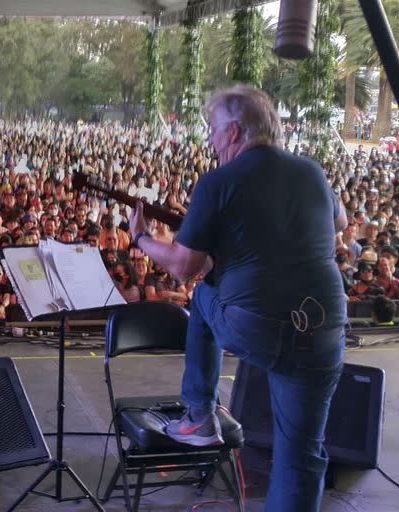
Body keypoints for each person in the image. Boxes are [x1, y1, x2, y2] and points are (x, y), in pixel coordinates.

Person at [129, 85, 347, 512]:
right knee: (301, 454)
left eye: (212, 130)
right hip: (325, 325)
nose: (209, 140)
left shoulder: (219, 180)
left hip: (259, 326)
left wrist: (141, 237)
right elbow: (337, 222)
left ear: (233, 132)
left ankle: (198, 415)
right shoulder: (311, 171)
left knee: (204, 291)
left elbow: (184, 266)